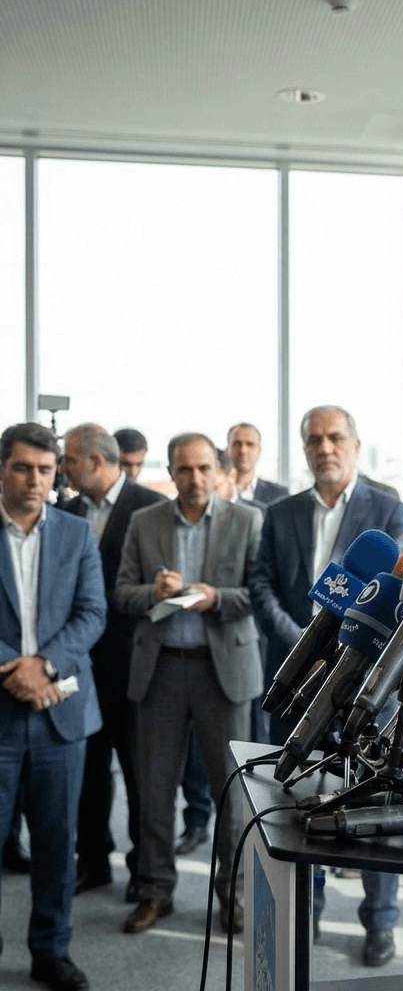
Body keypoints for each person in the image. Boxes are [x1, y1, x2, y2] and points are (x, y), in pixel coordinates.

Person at [249, 405, 403, 967]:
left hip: (368, 684)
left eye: (335, 437)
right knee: (297, 796)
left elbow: (398, 593)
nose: (325, 447)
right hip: (300, 675)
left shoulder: (387, 509)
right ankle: (307, 907)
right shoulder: (281, 512)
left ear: (356, 444)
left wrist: (342, 650)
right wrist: (303, 642)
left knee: (373, 798)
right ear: (304, 448)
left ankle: (380, 920)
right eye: (314, 439)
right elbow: (261, 583)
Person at [114, 433, 263, 937]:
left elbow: (258, 594)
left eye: (203, 468)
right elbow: (121, 593)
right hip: (160, 670)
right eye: (184, 469)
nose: (195, 479)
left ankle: (232, 892)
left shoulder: (247, 520)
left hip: (222, 671)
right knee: (154, 790)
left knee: (232, 793)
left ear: (218, 470)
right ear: (171, 472)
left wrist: (216, 597)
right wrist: (151, 593)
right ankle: (156, 890)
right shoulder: (145, 522)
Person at [0, 423, 106, 991]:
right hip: (1, 709)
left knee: (57, 843)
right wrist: (14, 668)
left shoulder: (76, 532)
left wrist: (43, 666)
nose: (35, 480)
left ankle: (51, 951)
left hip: (60, 714)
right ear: (2, 470)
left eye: (45, 470)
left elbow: (92, 614)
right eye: (23, 468)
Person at [58, 423, 164, 903]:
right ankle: (93, 861)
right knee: (89, 769)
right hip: (80, 666)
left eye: (68, 460)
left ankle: (144, 869)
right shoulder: (67, 511)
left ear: (96, 461)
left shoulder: (150, 507)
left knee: (141, 774)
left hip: (134, 664)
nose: (63, 468)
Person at [227, 423, 287, 507]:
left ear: (259, 451)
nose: (243, 450)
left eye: (250, 444)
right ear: (228, 449)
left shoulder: (278, 494)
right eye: (237, 444)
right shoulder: (214, 491)